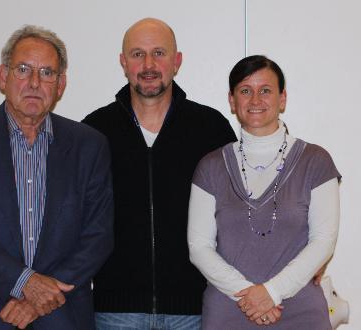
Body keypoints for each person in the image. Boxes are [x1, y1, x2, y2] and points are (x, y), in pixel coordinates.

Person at [0, 25, 113, 330]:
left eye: (47, 73)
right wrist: (24, 283)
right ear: (3, 76)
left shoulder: (89, 145)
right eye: (23, 69)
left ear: (61, 85)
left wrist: (41, 297)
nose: (34, 82)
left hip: (63, 316)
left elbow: (98, 237)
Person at [82, 18, 236, 329]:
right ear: (123, 63)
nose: (149, 64)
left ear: (177, 61)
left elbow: (242, 211)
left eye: (159, 53)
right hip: (115, 313)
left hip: (195, 311)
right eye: (138, 54)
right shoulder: (95, 131)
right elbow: (71, 217)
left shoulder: (210, 128)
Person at [188, 55, 341, 329]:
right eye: (245, 91)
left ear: (282, 99)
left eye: (266, 90)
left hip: (300, 313)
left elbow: (324, 240)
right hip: (229, 310)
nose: (255, 99)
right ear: (232, 101)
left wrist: (271, 293)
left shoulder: (316, 161)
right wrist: (251, 297)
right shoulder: (210, 167)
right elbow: (199, 247)